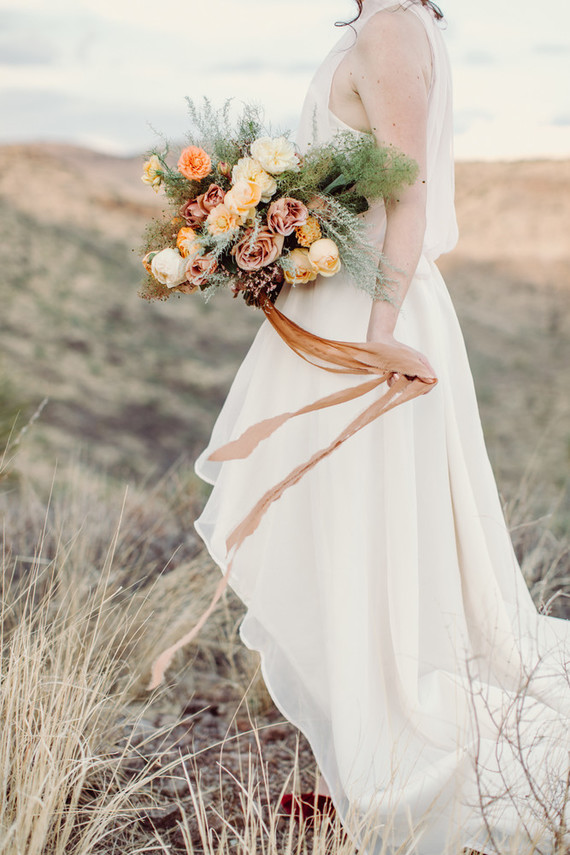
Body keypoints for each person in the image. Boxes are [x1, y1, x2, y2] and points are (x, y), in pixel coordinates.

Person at [192, 1, 570, 852]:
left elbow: (409, 192)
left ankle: (391, 758)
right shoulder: (378, 26)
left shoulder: (392, 28)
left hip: (371, 314)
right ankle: (352, 751)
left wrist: (381, 328)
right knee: (339, 531)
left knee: (371, 532)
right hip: (338, 300)